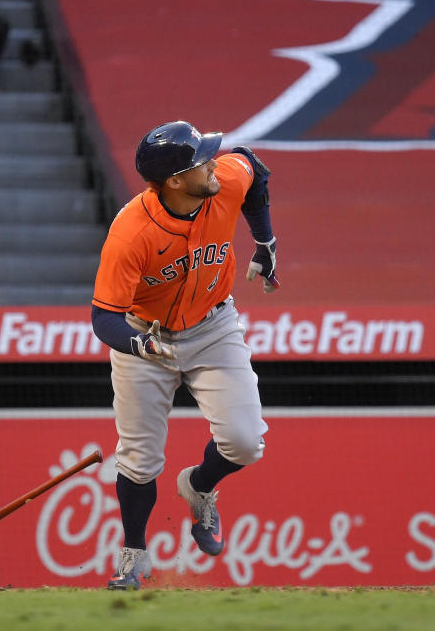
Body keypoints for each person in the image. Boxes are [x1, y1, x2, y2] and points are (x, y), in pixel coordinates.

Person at [91, 121, 280, 590]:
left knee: (244, 441)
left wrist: (265, 242)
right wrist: (139, 345)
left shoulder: (223, 180)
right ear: (174, 180)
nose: (213, 162)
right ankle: (134, 554)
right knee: (138, 459)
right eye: (201, 159)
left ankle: (198, 487)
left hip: (213, 326)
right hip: (143, 335)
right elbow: (104, 317)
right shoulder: (130, 233)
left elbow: (253, 169)